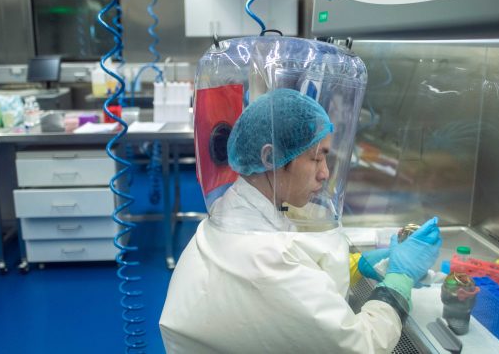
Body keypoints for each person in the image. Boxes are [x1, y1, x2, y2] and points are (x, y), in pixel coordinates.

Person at [160, 89, 442, 353]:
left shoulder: (236, 208)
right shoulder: (266, 258)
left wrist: (354, 266)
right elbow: (362, 344)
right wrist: (399, 280)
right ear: (270, 157)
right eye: (316, 158)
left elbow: (292, 274)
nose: (324, 173)